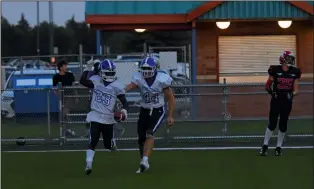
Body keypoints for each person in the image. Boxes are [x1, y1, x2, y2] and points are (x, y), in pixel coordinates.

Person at [125, 57, 175, 173]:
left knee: (150, 133)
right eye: (144, 68)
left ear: (154, 69)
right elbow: (130, 86)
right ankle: (144, 161)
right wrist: (122, 91)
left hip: (158, 109)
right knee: (141, 138)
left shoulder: (162, 79)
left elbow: (171, 98)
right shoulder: (138, 77)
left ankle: (145, 160)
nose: (146, 71)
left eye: (148, 68)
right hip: (145, 109)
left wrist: (170, 115)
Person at [80, 59, 128, 175]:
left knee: (108, 145)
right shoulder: (96, 80)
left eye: (111, 73)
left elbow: (125, 102)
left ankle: (112, 142)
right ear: (101, 72)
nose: (109, 75)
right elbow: (82, 81)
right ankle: (88, 164)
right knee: (93, 141)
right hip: (95, 115)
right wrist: (88, 68)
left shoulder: (117, 85)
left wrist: (123, 112)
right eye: (107, 73)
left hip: (108, 118)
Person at [260, 51, 301, 156]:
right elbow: (267, 85)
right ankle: (265, 146)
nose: (290, 60)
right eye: (288, 58)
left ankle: (278, 148)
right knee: (272, 124)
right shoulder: (275, 70)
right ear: (283, 59)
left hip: (287, 101)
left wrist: (291, 95)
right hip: (276, 100)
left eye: (291, 58)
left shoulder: (294, 72)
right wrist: (271, 93)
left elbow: (296, 90)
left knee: (283, 124)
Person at [52, 59, 76, 136]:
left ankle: (67, 130)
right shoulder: (56, 76)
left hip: (69, 97)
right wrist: (57, 94)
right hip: (61, 98)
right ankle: (68, 130)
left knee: (64, 113)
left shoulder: (70, 75)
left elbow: (73, 86)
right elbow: (54, 88)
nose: (66, 67)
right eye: (65, 65)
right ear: (61, 67)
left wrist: (76, 96)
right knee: (65, 115)